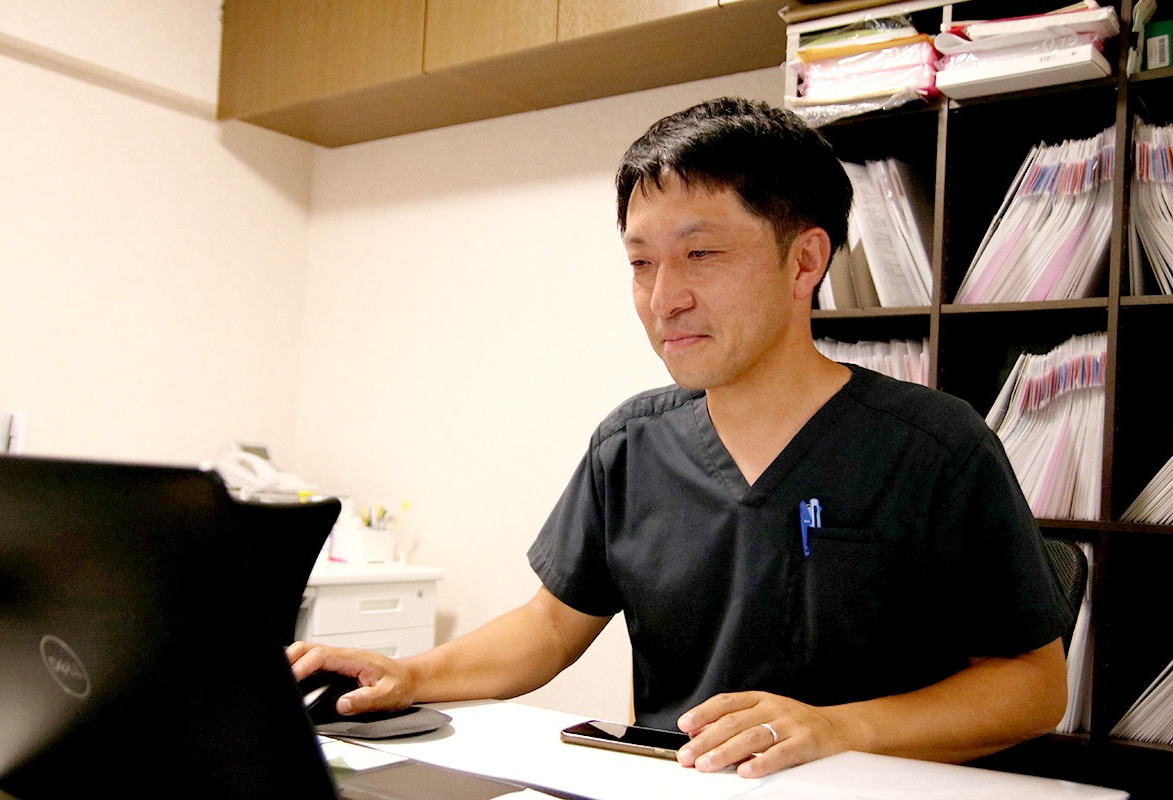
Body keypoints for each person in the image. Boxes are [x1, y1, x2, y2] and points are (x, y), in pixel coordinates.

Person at [288, 97, 1072, 778]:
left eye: (701, 254)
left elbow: (1034, 687)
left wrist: (839, 728)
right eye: (641, 262)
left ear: (805, 261)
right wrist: (410, 675)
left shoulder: (935, 447)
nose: (664, 298)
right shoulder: (632, 444)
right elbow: (551, 626)